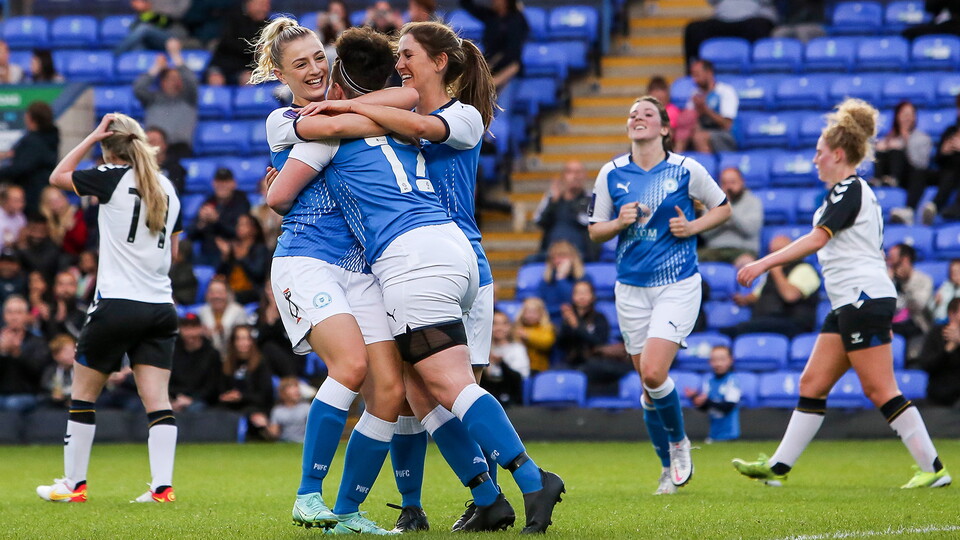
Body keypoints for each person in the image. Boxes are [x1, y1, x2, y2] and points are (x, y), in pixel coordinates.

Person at [270, 24, 565, 534]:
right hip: (450, 257)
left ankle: (528, 478)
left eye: (321, 59)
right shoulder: (402, 122)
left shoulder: (440, 118)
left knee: (445, 387)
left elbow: (280, 195)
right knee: (411, 390)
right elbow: (404, 104)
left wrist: (334, 113)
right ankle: (465, 500)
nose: (404, 65)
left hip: (416, 260)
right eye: (303, 64)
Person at [732, 98, 951, 489]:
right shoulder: (843, 193)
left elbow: (818, 239)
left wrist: (765, 262)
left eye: (818, 152)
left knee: (880, 388)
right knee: (812, 384)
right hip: (848, 300)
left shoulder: (850, 189)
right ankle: (778, 469)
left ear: (836, 153)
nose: (814, 159)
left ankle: (933, 468)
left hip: (862, 297)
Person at [253, 17, 417, 535]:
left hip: (358, 268)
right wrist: (390, 119)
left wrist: (367, 109)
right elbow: (337, 129)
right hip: (304, 259)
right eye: (299, 64)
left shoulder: (346, 102)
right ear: (280, 73)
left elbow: (410, 98)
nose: (314, 69)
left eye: (319, 58)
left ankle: (346, 510)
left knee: (390, 391)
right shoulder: (283, 119)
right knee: (348, 365)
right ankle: (307, 496)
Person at [587, 95, 731, 495]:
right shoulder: (611, 173)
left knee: (653, 372)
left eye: (647, 113)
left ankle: (681, 443)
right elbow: (595, 229)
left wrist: (694, 226)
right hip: (630, 288)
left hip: (677, 283)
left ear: (665, 128)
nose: (638, 117)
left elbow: (723, 208)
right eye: (632, 113)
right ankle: (667, 469)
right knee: (648, 386)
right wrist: (619, 221)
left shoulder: (687, 169)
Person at [37, 112, 182, 504]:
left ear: (109, 148)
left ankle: (73, 485)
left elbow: (57, 177)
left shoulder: (111, 176)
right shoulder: (168, 187)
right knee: (158, 402)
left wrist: (89, 137)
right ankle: (162, 488)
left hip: (117, 303)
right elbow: (174, 250)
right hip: (160, 306)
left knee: (83, 396)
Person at [725, 235, 821, 338]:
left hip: (792, 322)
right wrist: (743, 299)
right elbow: (758, 296)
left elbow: (790, 296)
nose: (776, 256)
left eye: (780, 251)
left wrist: (777, 271)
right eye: (773, 252)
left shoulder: (804, 269)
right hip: (767, 320)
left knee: (736, 331)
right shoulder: (770, 274)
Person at [133, 38, 197, 161]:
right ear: (162, 82)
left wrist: (175, 55)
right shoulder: (153, 99)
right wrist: (157, 67)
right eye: (171, 78)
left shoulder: (188, 98)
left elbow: (191, 81)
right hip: (154, 149)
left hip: (180, 149)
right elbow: (138, 88)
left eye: (178, 78)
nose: (176, 81)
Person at [0, 101, 60, 214]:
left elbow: (21, 167)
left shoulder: (34, 141)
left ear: (32, 118)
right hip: (41, 191)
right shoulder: (50, 138)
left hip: (31, 196)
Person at [683, 0, 777, 70]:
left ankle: (760, 72)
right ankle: (696, 73)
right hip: (722, 18)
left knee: (759, 27)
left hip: (755, 18)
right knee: (694, 29)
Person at [217, 324, 274, 439]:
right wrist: (227, 396)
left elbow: (265, 395)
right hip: (231, 408)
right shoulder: (226, 364)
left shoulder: (261, 364)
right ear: (233, 342)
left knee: (254, 417)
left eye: (247, 338)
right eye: (239, 339)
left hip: (255, 407)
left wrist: (241, 396)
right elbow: (219, 390)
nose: (243, 343)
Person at [459, 0, 529, 90]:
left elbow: (514, 63)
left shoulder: (517, 20)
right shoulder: (490, 16)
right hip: (491, 69)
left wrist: (495, 81)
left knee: (503, 101)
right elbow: (466, 4)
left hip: (509, 73)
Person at [533, 160, 595, 261]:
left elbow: (587, 221)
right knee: (529, 261)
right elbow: (539, 221)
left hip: (581, 255)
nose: (575, 176)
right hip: (551, 255)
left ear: (584, 176)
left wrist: (571, 200)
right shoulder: (552, 198)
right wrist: (554, 201)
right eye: (570, 172)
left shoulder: (591, 199)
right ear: (562, 176)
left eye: (578, 172)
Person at [188, 167, 251, 267]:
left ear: (233, 183)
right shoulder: (209, 201)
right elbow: (191, 234)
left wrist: (216, 220)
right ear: (213, 183)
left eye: (226, 181)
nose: (222, 185)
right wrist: (201, 222)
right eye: (219, 181)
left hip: (231, 254)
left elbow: (240, 232)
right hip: (207, 253)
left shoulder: (241, 202)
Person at [699, 167, 763, 263]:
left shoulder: (753, 202)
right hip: (714, 250)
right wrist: (720, 219)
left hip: (742, 250)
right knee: (688, 260)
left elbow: (750, 230)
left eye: (733, 182)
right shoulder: (711, 202)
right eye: (725, 183)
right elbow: (705, 233)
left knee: (746, 263)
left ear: (742, 182)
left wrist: (728, 210)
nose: (729, 187)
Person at [674, 60, 739, 153]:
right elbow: (690, 119)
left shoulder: (725, 92)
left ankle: (707, 166)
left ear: (709, 73)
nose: (694, 79)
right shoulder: (696, 94)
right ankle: (675, 159)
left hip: (725, 135)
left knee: (699, 137)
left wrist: (705, 110)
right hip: (703, 130)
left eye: (697, 75)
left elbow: (727, 124)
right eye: (693, 75)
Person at [0, 295, 51, 412]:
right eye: (10, 313)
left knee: (12, 405)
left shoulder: (37, 341)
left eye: (18, 313)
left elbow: (38, 371)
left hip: (26, 394)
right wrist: (2, 353)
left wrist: (17, 353)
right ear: (4, 316)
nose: (14, 317)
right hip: (2, 392)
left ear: (26, 316)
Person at [683, 345, 741, 442]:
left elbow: (728, 407)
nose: (718, 363)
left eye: (722, 359)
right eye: (714, 360)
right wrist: (695, 398)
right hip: (713, 435)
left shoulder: (732, 381)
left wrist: (706, 401)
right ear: (710, 362)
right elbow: (707, 407)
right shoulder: (708, 381)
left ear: (731, 360)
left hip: (730, 435)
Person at [209, 0, 271, 85]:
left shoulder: (268, 25)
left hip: (246, 66)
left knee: (249, 79)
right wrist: (254, 48)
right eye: (261, 5)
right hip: (223, 62)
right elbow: (228, 42)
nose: (265, 9)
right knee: (215, 79)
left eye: (267, 5)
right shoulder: (231, 16)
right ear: (249, 4)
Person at [169, 314, 221, 413]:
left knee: (194, 409)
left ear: (201, 328)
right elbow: (167, 381)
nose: (190, 333)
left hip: (201, 400)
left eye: (194, 327)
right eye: (186, 328)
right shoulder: (172, 352)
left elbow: (212, 386)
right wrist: (176, 397)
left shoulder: (212, 354)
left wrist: (191, 399)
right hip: (175, 397)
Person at [887, 243, 933, 350]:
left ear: (906, 260)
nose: (891, 265)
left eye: (895, 263)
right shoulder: (887, 279)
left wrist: (905, 285)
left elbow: (919, 306)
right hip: (890, 325)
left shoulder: (924, 280)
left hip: (915, 326)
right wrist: (889, 281)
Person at [215, 213, 268, 305]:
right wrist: (225, 256)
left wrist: (242, 258)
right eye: (239, 224)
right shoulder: (233, 248)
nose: (240, 227)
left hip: (252, 292)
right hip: (231, 290)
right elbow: (221, 274)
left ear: (254, 229)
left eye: (244, 224)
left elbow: (258, 274)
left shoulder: (260, 249)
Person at [917, 297, 960, 407]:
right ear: (952, 314)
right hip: (938, 396)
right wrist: (948, 350)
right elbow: (926, 365)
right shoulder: (936, 333)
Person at [923, 95, 960, 223]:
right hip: (946, 172)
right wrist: (943, 152)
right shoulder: (950, 131)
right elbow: (938, 161)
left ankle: (936, 205)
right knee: (920, 172)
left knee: (952, 172)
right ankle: (914, 209)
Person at [481, 309, 529, 407]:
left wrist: (501, 363)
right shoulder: (483, 349)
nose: (499, 328)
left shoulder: (517, 349)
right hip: (488, 394)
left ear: (509, 327)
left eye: (504, 324)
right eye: (495, 324)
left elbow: (519, 377)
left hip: (510, 397)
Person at [196, 278, 249, 355]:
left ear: (228, 294)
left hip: (232, 356)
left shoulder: (238, 312)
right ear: (207, 295)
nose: (216, 296)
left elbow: (243, 338)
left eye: (220, 292)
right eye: (212, 292)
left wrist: (224, 332)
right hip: (208, 357)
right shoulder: (202, 312)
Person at [537, 240, 589, 317]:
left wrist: (561, 278)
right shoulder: (546, 281)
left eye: (562, 256)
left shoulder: (584, 279)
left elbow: (576, 303)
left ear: (573, 258)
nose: (557, 261)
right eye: (553, 257)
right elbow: (542, 308)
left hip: (578, 321)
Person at [38, 186, 87, 258]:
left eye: (58, 199)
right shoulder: (45, 223)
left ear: (65, 199)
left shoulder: (77, 216)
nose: (56, 204)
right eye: (51, 201)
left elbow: (80, 243)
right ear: (45, 205)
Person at [38, 270, 87, 340]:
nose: (65, 288)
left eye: (70, 284)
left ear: (76, 288)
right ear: (54, 288)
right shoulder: (47, 310)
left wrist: (63, 321)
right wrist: (47, 321)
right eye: (61, 284)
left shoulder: (83, 310)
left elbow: (83, 339)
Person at [515, 296, 556, 375]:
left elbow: (547, 342)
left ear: (541, 314)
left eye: (534, 312)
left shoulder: (546, 328)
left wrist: (527, 336)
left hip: (539, 368)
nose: (530, 315)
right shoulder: (517, 327)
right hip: (520, 367)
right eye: (528, 312)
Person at [267, 377, 311, 442]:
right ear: (283, 392)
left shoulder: (307, 407)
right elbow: (274, 434)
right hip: (283, 443)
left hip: (302, 442)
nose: (296, 390)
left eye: (297, 387)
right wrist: (265, 423)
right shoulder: (277, 410)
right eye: (291, 388)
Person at [145, 127, 186, 195]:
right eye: (147, 142)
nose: (150, 146)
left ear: (164, 145)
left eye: (154, 142)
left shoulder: (175, 169)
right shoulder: (137, 167)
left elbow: (174, 191)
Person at [40, 334, 76, 408]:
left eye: (73, 351)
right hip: (57, 405)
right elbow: (46, 387)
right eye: (67, 352)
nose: (71, 355)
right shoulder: (50, 371)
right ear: (55, 355)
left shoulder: (83, 370)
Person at [930, 258, 960, 323]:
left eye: (957, 271)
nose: (954, 275)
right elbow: (931, 308)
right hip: (942, 322)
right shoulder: (945, 286)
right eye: (952, 272)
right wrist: (936, 302)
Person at [0, 184, 27, 251]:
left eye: (22, 200)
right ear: (4, 200)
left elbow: (21, 242)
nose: (20, 204)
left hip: (11, 255)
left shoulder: (21, 218)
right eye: (16, 200)